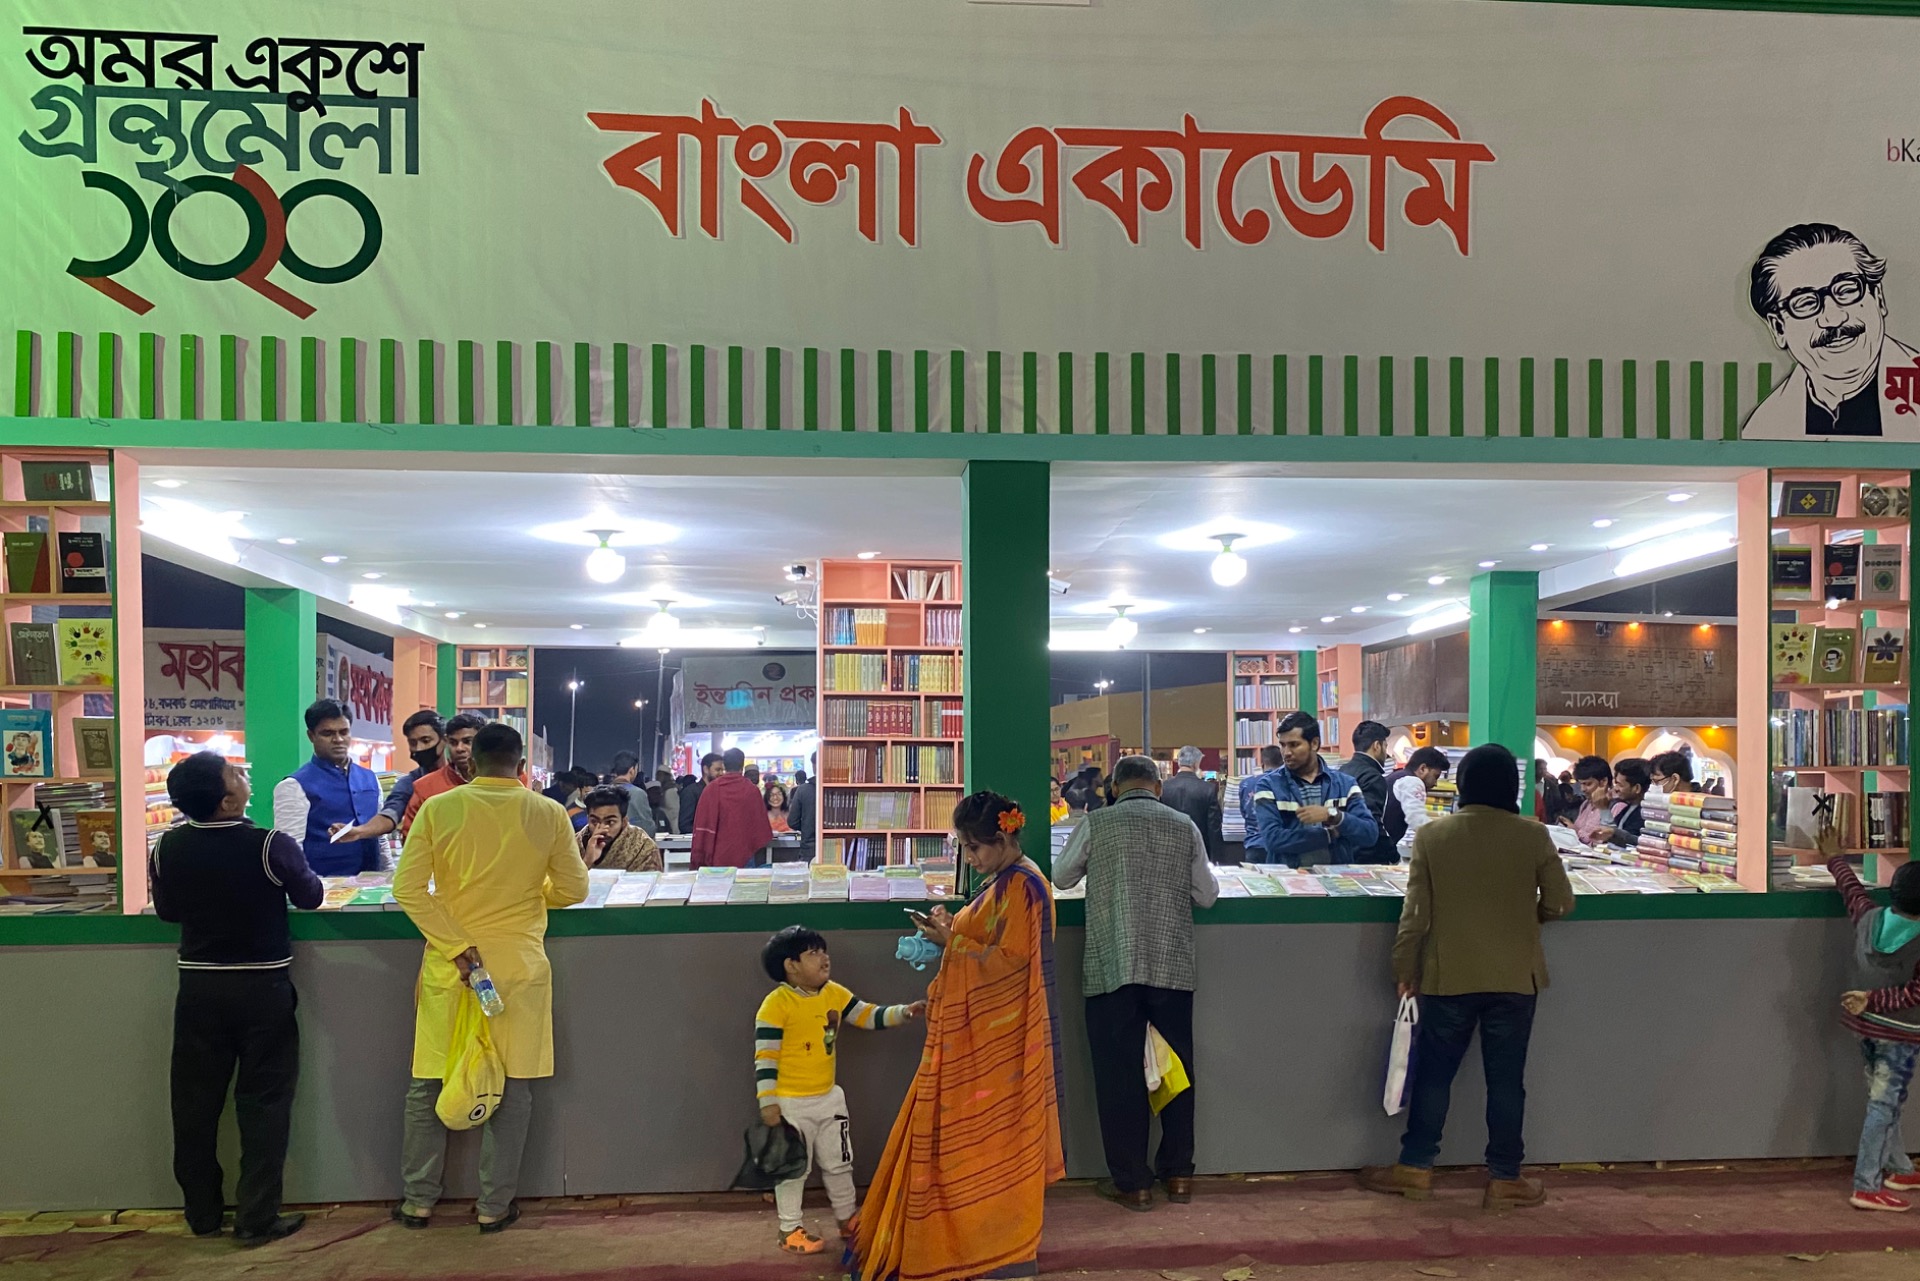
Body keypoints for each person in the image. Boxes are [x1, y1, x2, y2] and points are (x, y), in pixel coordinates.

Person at [852, 792, 1063, 1281]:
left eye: (974, 847)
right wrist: (952, 930)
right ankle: (967, 1242)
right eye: (964, 847)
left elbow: (1012, 966)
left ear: (1004, 838)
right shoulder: (1003, 881)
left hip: (999, 1048)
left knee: (983, 1144)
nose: (969, 857)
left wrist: (951, 940)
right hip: (982, 1039)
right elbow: (990, 944)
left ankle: (993, 1248)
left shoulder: (1023, 886)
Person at [391, 723, 590, 1233]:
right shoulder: (548, 812)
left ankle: (418, 1202)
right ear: (521, 765)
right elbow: (573, 889)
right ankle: (493, 1207)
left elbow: (408, 890)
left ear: (470, 762)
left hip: (452, 968)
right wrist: (533, 893)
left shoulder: (439, 809)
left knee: (429, 1081)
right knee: (512, 1086)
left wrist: (456, 945)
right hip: (518, 965)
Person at [1361, 743, 1575, 1210]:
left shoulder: (1434, 837)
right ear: (1513, 787)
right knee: (1507, 1080)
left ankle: (1415, 1167)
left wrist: (1404, 969)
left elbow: (1414, 916)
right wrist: (1528, 918)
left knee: (1435, 1075)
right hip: (1515, 978)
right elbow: (1561, 902)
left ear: (1462, 785)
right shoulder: (1533, 835)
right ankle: (1505, 1178)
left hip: (1448, 976)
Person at [150, 751, 323, 1246]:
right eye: (235, 775)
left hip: (199, 989)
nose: (244, 777)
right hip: (263, 988)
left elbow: (168, 912)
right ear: (227, 801)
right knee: (264, 1104)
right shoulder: (270, 846)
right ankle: (256, 1218)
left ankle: (202, 1214)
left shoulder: (167, 847)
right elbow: (310, 896)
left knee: (194, 1104)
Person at [1053, 755, 1218, 1211]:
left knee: (1119, 1075)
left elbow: (1061, 877)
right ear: (1158, 787)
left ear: (1114, 788)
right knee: (1176, 1073)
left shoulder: (1097, 823)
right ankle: (1178, 1173)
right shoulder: (1183, 826)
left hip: (1113, 965)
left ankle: (1133, 1182)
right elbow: (1206, 895)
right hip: (1171, 966)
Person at [755, 925, 923, 1255]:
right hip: (791, 1104)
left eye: (823, 951)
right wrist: (768, 1102)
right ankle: (789, 1229)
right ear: (791, 965)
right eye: (813, 953)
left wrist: (904, 1012)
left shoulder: (834, 993)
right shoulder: (775, 1005)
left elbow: (867, 1015)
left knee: (840, 1163)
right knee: (793, 1171)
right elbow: (766, 1056)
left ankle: (847, 1219)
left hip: (830, 1098)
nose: (824, 958)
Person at [1743, 223, 1920, 442]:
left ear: (1878, 298)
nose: (1833, 318)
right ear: (1778, 328)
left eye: (1846, 290)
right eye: (1805, 302)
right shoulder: (1763, 428)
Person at [1826, 838, 1920, 1211]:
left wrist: (1835, 858)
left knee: (1886, 1101)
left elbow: (1851, 890)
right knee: (1884, 1105)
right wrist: (1874, 999)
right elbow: (1915, 993)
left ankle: (1899, 1168)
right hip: (1900, 1035)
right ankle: (1866, 1184)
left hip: (1864, 1028)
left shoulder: (1869, 917)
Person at [1246, 712, 1379, 869]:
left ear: (1314, 744)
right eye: (1282, 745)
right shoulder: (1269, 785)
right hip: (1289, 878)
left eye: (1294, 745)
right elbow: (1273, 839)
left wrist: (1333, 816)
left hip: (1336, 878)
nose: (1286, 752)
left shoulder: (1344, 784)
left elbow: (1369, 834)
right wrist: (1328, 835)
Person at [271, 698, 383, 877]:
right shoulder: (294, 786)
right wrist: (306, 888)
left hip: (373, 885)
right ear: (311, 736)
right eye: (327, 733)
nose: (338, 739)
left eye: (344, 732)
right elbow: (290, 851)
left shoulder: (370, 779)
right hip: (322, 886)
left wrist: (389, 875)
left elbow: (380, 838)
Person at [329, 711, 448, 853]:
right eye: (413, 743)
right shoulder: (410, 783)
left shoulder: (464, 778)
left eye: (426, 741)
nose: (419, 748)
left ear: (444, 739)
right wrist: (360, 831)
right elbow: (390, 814)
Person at [401, 712, 490, 834]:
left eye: (468, 741)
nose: (459, 748)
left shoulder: (503, 783)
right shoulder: (425, 787)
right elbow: (412, 836)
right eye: (453, 743)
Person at [690, 748, 774, 868]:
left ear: (724, 765)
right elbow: (761, 829)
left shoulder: (711, 789)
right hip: (745, 855)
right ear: (742, 765)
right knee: (744, 881)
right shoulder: (752, 790)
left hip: (717, 856)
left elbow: (702, 824)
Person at [1384, 747, 1452, 861]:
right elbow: (1417, 818)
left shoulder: (1397, 777)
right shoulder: (1412, 781)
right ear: (1423, 769)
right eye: (1435, 776)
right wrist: (1444, 837)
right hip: (1380, 848)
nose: (1435, 784)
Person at [1159, 745, 1223, 865]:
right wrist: (1216, 859)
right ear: (1196, 763)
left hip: (1169, 850)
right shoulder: (1208, 789)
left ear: (1179, 762)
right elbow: (1214, 827)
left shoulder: (1164, 787)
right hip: (1199, 850)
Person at [1345, 722, 1397, 865]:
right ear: (1377, 746)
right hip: (1367, 857)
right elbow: (1373, 821)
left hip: (1344, 853)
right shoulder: (1372, 777)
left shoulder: (1342, 771)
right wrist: (1393, 855)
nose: (1386, 753)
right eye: (1385, 746)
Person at [576, 786, 663, 872]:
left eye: (610, 822)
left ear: (624, 821)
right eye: (594, 821)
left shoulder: (643, 846)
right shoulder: (575, 844)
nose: (602, 829)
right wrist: (587, 861)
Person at [1239, 744, 1284, 863]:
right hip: (1281, 845)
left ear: (1262, 762)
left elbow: (1244, 812)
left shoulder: (1246, 784)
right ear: (1283, 761)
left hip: (1254, 843)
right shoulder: (1286, 782)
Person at [1560, 755, 1615, 846]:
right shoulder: (1586, 804)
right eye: (1581, 784)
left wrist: (1576, 831)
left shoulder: (1615, 806)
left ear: (1604, 781)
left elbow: (1603, 842)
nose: (1583, 789)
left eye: (1588, 784)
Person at [1606, 759, 1650, 849]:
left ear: (1637, 788)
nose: (1616, 789)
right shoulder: (1627, 808)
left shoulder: (1645, 814)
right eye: (1615, 784)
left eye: (1620, 785)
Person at [680, 753, 723, 834]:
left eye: (722, 770)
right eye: (717, 770)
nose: (721, 773)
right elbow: (685, 825)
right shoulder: (691, 792)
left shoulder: (720, 791)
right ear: (706, 769)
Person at [785, 754, 816, 864]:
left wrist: (806, 826)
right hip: (840, 847)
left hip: (809, 848)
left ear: (814, 766)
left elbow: (792, 821)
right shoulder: (841, 789)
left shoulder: (802, 791)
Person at [655, 767, 681, 835]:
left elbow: (674, 811)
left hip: (672, 825)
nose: (658, 777)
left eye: (660, 775)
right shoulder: (663, 789)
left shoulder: (670, 791)